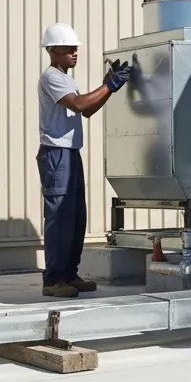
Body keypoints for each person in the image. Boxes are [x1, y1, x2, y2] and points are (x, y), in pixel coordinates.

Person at [38, 22, 132, 298]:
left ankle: (69, 274)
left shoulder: (67, 79)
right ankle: (53, 279)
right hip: (56, 154)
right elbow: (79, 105)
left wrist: (107, 85)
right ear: (53, 50)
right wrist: (111, 85)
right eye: (68, 48)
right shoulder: (52, 77)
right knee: (60, 216)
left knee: (76, 216)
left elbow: (88, 110)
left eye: (75, 48)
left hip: (69, 152)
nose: (74, 53)